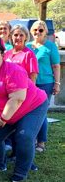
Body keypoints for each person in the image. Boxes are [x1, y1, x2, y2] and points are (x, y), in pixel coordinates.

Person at [0, 40, 48, 182]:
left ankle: (21, 172)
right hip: (8, 112)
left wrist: (3, 119)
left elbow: (17, 98)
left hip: (32, 107)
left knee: (24, 136)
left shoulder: (14, 70)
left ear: (3, 54)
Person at [26, 20, 61, 152]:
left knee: (41, 113)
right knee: (30, 112)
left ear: (46, 31)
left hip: (45, 83)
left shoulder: (50, 46)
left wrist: (57, 84)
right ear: (31, 31)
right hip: (30, 84)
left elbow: (56, 66)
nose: (38, 32)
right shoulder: (28, 46)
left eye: (41, 30)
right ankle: (32, 139)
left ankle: (41, 142)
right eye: (35, 30)